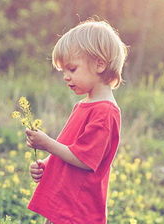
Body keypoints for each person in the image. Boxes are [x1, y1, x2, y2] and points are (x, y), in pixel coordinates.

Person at [25, 19, 128, 224]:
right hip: (65, 204)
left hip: (78, 211)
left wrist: (47, 144)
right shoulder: (84, 105)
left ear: (99, 64)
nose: (65, 77)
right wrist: (47, 164)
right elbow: (72, 148)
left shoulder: (105, 112)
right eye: (63, 71)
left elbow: (85, 160)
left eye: (71, 69)